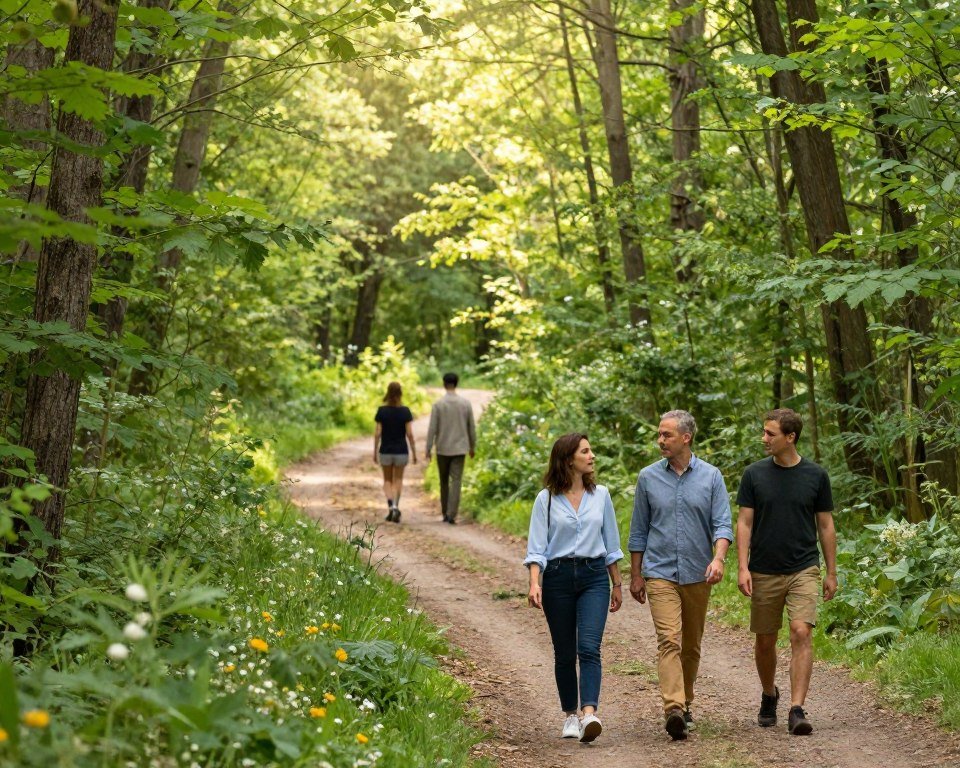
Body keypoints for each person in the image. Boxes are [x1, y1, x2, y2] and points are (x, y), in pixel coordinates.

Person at [628, 410, 732, 741]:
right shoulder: (647, 478)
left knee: (691, 644)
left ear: (685, 438)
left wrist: (718, 558)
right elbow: (638, 529)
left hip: (699, 571)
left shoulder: (712, 477)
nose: (660, 441)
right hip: (659, 571)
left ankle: (686, 704)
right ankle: (673, 708)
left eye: (666, 435)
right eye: (659, 435)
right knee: (669, 639)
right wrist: (636, 574)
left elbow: (722, 523)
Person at [736, 408, 837, 736]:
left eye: (770, 434)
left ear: (790, 437)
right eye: (764, 432)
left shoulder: (816, 476)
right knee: (765, 641)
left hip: (803, 567)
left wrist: (831, 572)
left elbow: (825, 525)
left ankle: (796, 708)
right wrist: (742, 567)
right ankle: (769, 694)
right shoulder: (754, 475)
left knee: (801, 632)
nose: (764, 439)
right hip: (764, 569)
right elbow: (745, 522)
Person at [525, 433, 623, 744]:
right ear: (569, 459)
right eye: (585, 451)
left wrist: (617, 583)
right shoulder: (547, 499)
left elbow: (611, 545)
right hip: (557, 577)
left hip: (594, 576)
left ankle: (589, 713)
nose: (592, 455)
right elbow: (537, 547)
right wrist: (534, 582)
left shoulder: (602, 495)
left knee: (589, 648)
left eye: (590, 450)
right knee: (565, 652)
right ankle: (570, 714)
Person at [425, 372, 476, 524]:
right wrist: (472, 446)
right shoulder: (465, 404)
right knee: (456, 481)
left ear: (444, 384)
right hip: (460, 448)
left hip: (442, 448)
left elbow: (432, 428)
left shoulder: (438, 404)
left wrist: (428, 448)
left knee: (444, 480)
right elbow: (471, 427)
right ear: (457, 383)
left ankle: (444, 511)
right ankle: (452, 514)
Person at [373, 382, 416, 523]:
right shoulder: (405, 411)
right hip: (401, 451)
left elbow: (378, 433)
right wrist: (414, 452)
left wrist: (375, 451)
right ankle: (396, 506)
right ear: (400, 393)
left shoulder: (382, 411)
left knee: (387, 480)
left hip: (385, 450)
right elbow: (409, 434)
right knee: (398, 480)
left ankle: (390, 506)